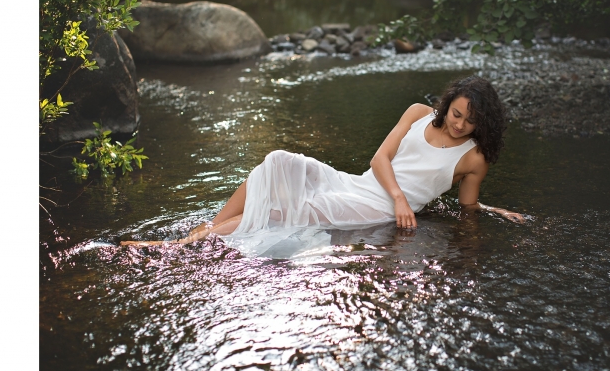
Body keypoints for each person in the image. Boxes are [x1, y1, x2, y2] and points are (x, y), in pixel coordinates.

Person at [121, 75, 524, 250]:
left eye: (471, 121)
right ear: (446, 104)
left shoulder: (474, 158)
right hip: (364, 184)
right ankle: (209, 227)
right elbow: (380, 158)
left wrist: (491, 210)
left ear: (483, 124)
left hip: (376, 208)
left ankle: (179, 246)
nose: (460, 125)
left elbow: (468, 204)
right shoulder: (418, 112)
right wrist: (401, 197)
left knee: (292, 210)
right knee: (278, 161)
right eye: (456, 114)